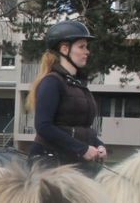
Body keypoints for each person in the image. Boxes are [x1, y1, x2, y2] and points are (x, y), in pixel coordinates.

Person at [26, 20, 107, 172]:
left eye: (87, 47)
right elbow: (44, 126)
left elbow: (82, 128)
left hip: (73, 162)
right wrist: (82, 149)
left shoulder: (79, 85)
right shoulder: (52, 82)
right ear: (64, 49)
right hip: (49, 162)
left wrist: (98, 145)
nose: (87, 51)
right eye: (82, 46)